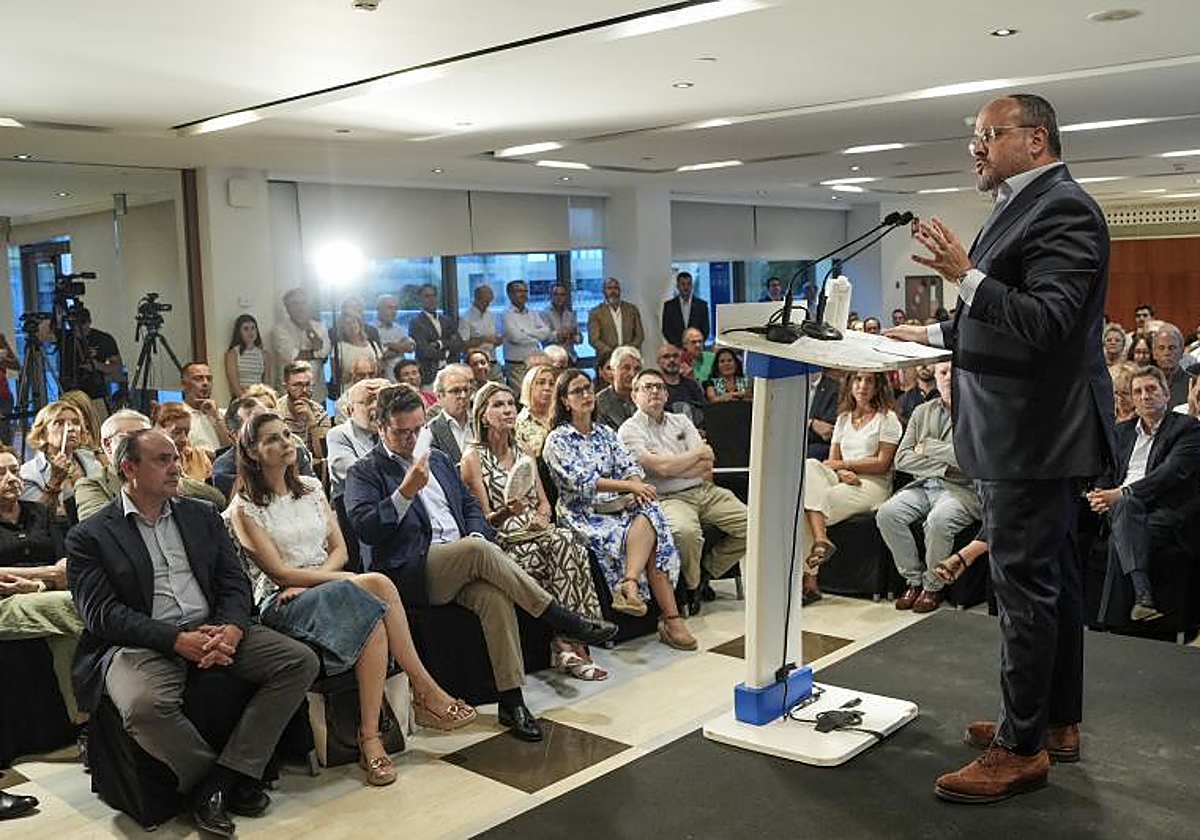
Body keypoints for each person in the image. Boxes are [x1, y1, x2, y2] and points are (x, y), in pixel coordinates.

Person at [884, 93, 1115, 803]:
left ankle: (1021, 749)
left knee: (1024, 589)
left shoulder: (1065, 208)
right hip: (1022, 428)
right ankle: (1053, 723)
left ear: (1036, 138)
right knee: (1054, 584)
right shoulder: (1022, 204)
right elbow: (994, 323)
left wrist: (963, 273)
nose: (975, 148)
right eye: (974, 138)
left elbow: (1047, 323)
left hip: (1033, 433)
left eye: (988, 135)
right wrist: (920, 337)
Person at [67, 428, 320, 836]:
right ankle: (216, 782)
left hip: (215, 626)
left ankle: (225, 778)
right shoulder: (90, 535)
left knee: (298, 661)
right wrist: (174, 641)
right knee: (144, 707)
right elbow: (102, 615)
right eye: (163, 460)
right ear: (128, 468)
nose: (176, 467)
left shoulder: (199, 513)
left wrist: (234, 628)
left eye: (176, 457)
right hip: (141, 642)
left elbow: (233, 581)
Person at [343, 385, 616, 742]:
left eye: (416, 429)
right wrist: (405, 493)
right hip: (409, 570)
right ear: (380, 428)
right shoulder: (365, 471)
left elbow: (471, 508)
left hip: (460, 559)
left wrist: (475, 533)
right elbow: (366, 528)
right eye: (401, 432)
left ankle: (511, 700)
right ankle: (562, 619)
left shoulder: (437, 458)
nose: (411, 439)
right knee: (478, 551)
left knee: (494, 596)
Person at [228, 412, 477, 786]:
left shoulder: (311, 487)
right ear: (252, 452)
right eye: (273, 439)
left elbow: (341, 549)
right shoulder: (243, 508)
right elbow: (278, 573)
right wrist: (333, 581)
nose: (286, 443)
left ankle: (371, 737)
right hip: (283, 600)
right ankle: (424, 693)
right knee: (374, 583)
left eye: (286, 434)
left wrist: (331, 580)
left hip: (325, 583)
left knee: (373, 622)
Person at [460, 383, 607, 680]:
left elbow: (543, 503)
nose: (508, 410)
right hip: (504, 539)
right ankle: (574, 641)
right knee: (565, 546)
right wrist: (508, 511)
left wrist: (541, 516)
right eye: (498, 405)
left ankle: (568, 643)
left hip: (536, 531)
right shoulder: (473, 457)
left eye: (510, 404)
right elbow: (483, 520)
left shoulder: (524, 450)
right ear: (484, 415)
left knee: (567, 541)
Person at [543, 369, 695, 650]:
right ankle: (669, 618)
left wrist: (637, 486)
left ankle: (632, 585)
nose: (586, 395)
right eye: (577, 391)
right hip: (584, 513)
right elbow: (580, 481)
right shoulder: (557, 439)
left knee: (652, 514)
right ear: (565, 400)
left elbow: (629, 465)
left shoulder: (605, 433)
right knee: (644, 531)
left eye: (588, 389)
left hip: (618, 505)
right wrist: (631, 488)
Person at [619, 369, 745, 616]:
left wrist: (670, 466)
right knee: (686, 533)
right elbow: (660, 468)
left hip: (704, 490)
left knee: (754, 525)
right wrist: (688, 459)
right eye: (647, 387)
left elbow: (707, 462)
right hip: (668, 498)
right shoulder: (629, 430)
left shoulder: (682, 420)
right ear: (634, 395)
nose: (655, 391)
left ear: (667, 394)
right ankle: (692, 585)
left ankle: (708, 570)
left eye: (659, 387)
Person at [1084, 366, 1200, 621]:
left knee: (1122, 527)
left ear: (1167, 394)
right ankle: (1141, 597)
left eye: (1151, 389)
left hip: (1163, 510)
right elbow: (1106, 471)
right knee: (1117, 513)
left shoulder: (1187, 429)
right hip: (1117, 508)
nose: (1145, 396)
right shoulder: (1122, 432)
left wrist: (1123, 493)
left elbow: (1170, 475)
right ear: (1133, 399)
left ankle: (1106, 623)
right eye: (1138, 392)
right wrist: (1100, 494)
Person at [875, 362, 981, 613]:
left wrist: (928, 447)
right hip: (925, 484)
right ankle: (913, 580)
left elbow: (973, 461)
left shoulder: (979, 411)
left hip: (963, 490)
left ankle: (932, 587)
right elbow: (902, 459)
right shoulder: (922, 411)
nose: (948, 378)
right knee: (887, 514)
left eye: (954, 372)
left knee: (938, 521)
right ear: (935, 375)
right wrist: (945, 466)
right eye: (943, 372)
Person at [800, 371, 901, 605]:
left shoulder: (888, 419)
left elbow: (882, 463)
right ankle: (821, 539)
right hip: (843, 477)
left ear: (878, 387)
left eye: (869, 381)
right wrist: (839, 471)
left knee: (811, 505)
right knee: (810, 465)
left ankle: (811, 580)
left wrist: (844, 466)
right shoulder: (844, 418)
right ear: (850, 384)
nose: (862, 386)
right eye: (857, 380)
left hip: (873, 483)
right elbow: (830, 461)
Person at [0, 445, 82, 725]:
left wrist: (35, 586)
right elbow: (54, 570)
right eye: (1, 473)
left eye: (14, 470)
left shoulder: (40, 513)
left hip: (40, 595)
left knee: (66, 638)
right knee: (73, 606)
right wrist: (47, 573)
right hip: (4, 602)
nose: (11, 478)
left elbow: (66, 567)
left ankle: (82, 722)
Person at [75, 409, 225, 520]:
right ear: (108, 445)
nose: (142, 445)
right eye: (132, 438)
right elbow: (97, 528)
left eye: (147, 437)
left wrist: (180, 486)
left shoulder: (164, 473)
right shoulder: (92, 484)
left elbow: (218, 500)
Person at [211, 397, 315, 500]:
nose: (268, 426)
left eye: (267, 417)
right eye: (257, 424)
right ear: (235, 436)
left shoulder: (295, 453)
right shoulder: (224, 469)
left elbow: (313, 498)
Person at [20, 400, 104, 513]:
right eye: (59, 423)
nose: (70, 428)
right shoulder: (28, 474)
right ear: (43, 433)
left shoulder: (93, 460)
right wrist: (55, 481)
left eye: (76, 422)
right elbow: (36, 518)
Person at [326, 378, 387, 501]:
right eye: (369, 401)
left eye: (381, 400)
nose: (376, 406)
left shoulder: (395, 430)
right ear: (350, 410)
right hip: (358, 506)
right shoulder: (339, 435)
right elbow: (355, 478)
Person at [270, 287, 331, 402]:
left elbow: (323, 352)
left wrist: (309, 329)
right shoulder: (279, 330)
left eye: (303, 303)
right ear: (287, 308)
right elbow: (293, 356)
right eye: (295, 304)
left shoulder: (320, 327)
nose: (300, 308)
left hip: (316, 394)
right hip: (289, 396)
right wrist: (316, 353)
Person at [502, 280, 553, 390]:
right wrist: (536, 337)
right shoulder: (506, 314)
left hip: (534, 363)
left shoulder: (532, 312)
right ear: (510, 294)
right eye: (519, 291)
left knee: (535, 395)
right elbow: (516, 337)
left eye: (525, 291)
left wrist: (526, 331)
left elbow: (546, 332)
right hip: (516, 365)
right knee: (522, 397)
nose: (523, 294)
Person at [410, 283, 464, 386]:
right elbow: (425, 351)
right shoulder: (416, 322)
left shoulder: (446, 320)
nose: (431, 299)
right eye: (427, 296)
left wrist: (440, 343)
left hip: (451, 373)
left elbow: (459, 344)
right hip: (430, 375)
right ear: (420, 299)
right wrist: (447, 353)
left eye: (433, 295)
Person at [70, 307, 124, 406]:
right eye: (75, 326)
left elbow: (117, 366)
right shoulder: (65, 337)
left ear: (89, 322)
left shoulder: (103, 339)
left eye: (83, 324)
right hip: (69, 394)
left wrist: (97, 365)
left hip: (96, 393)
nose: (79, 329)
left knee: (99, 418)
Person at [277, 361, 331, 458]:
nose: (304, 390)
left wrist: (312, 420)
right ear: (286, 387)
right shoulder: (275, 412)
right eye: (297, 385)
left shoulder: (320, 413)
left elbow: (323, 454)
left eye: (308, 384)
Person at [154, 402, 214, 482]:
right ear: (158, 430)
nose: (184, 439)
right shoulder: (151, 462)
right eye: (177, 432)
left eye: (187, 432)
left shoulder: (199, 457)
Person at [426, 364, 474, 464]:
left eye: (466, 390)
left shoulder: (482, 423)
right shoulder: (428, 432)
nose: (463, 396)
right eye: (455, 391)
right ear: (439, 397)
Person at [181, 362, 232, 450]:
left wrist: (217, 417)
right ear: (184, 385)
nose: (205, 383)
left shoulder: (223, 414)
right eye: (198, 379)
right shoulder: (178, 415)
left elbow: (231, 451)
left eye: (209, 379)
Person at [586, 277, 644, 356]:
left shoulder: (631, 309)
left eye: (616, 288)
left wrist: (628, 350)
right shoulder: (596, 312)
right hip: (606, 356)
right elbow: (594, 339)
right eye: (609, 288)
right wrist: (612, 352)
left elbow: (639, 335)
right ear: (603, 291)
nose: (613, 291)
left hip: (630, 355)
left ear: (620, 291)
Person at [224, 314, 274, 398]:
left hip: (260, 398)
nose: (250, 332)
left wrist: (263, 399)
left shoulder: (264, 354)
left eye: (253, 328)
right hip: (241, 398)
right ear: (239, 332)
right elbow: (234, 385)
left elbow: (267, 383)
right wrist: (246, 400)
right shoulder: (233, 354)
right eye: (246, 329)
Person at [656, 343, 706, 426]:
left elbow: (705, 411)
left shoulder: (692, 385)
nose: (671, 360)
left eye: (675, 356)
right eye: (666, 357)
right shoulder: (654, 388)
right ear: (658, 362)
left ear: (680, 360)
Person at [594, 345, 641, 431]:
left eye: (637, 369)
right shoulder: (599, 403)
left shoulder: (646, 398)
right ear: (613, 370)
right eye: (626, 368)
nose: (632, 374)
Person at [515, 365, 557, 458]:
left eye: (551, 384)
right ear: (529, 386)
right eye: (541, 383)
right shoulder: (519, 423)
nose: (547, 388)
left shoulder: (562, 416)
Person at [661, 271, 710, 347]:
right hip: (677, 349)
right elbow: (666, 330)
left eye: (688, 284)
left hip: (696, 348)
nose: (686, 287)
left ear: (692, 286)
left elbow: (705, 329)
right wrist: (681, 346)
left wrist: (695, 344)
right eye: (683, 284)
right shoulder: (669, 306)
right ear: (677, 286)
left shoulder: (702, 305)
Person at [335, 311, 383, 387]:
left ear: (360, 325)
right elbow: (337, 379)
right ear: (342, 328)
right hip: (350, 391)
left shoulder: (372, 344)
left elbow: (380, 372)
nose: (352, 326)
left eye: (354, 322)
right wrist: (356, 373)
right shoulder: (338, 348)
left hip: (372, 389)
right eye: (348, 323)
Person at [374, 294, 415, 383]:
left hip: (403, 379)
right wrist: (402, 347)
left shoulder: (398, 328)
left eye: (395, 308)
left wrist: (392, 345)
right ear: (378, 309)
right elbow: (381, 355)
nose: (394, 311)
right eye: (390, 308)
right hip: (385, 379)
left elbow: (411, 347)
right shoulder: (372, 330)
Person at [806, 370, 841, 461]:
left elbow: (826, 432)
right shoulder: (789, 383)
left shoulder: (835, 389)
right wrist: (811, 423)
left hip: (814, 448)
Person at [1151, 322, 1189, 407]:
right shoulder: (1145, 383)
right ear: (1154, 353)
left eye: (1172, 348)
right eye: (1161, 348)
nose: (1167, 353)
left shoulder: (1194, 385)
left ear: (1182, 352)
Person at [458, 285, 500, 359]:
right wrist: (484, 339)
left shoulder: (490, 315)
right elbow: (463, 344)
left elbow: (495, 339)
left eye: (489, 302)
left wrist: (498, 340)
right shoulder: (466, 318)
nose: (487, 305)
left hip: (492, 358)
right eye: (485, 302)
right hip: (475, 362)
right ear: (476, 299)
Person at [543, 281, 580, 362]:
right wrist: (563, 333)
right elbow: (545, 337)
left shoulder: (570, 315)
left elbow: (579, 339)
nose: (559, 297)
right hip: (552, 359)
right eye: (556, 294)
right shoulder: (543, 314)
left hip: (570, 357)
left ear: (566, 297)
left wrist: (574, 336)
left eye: (562, 294)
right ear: (550, 296)